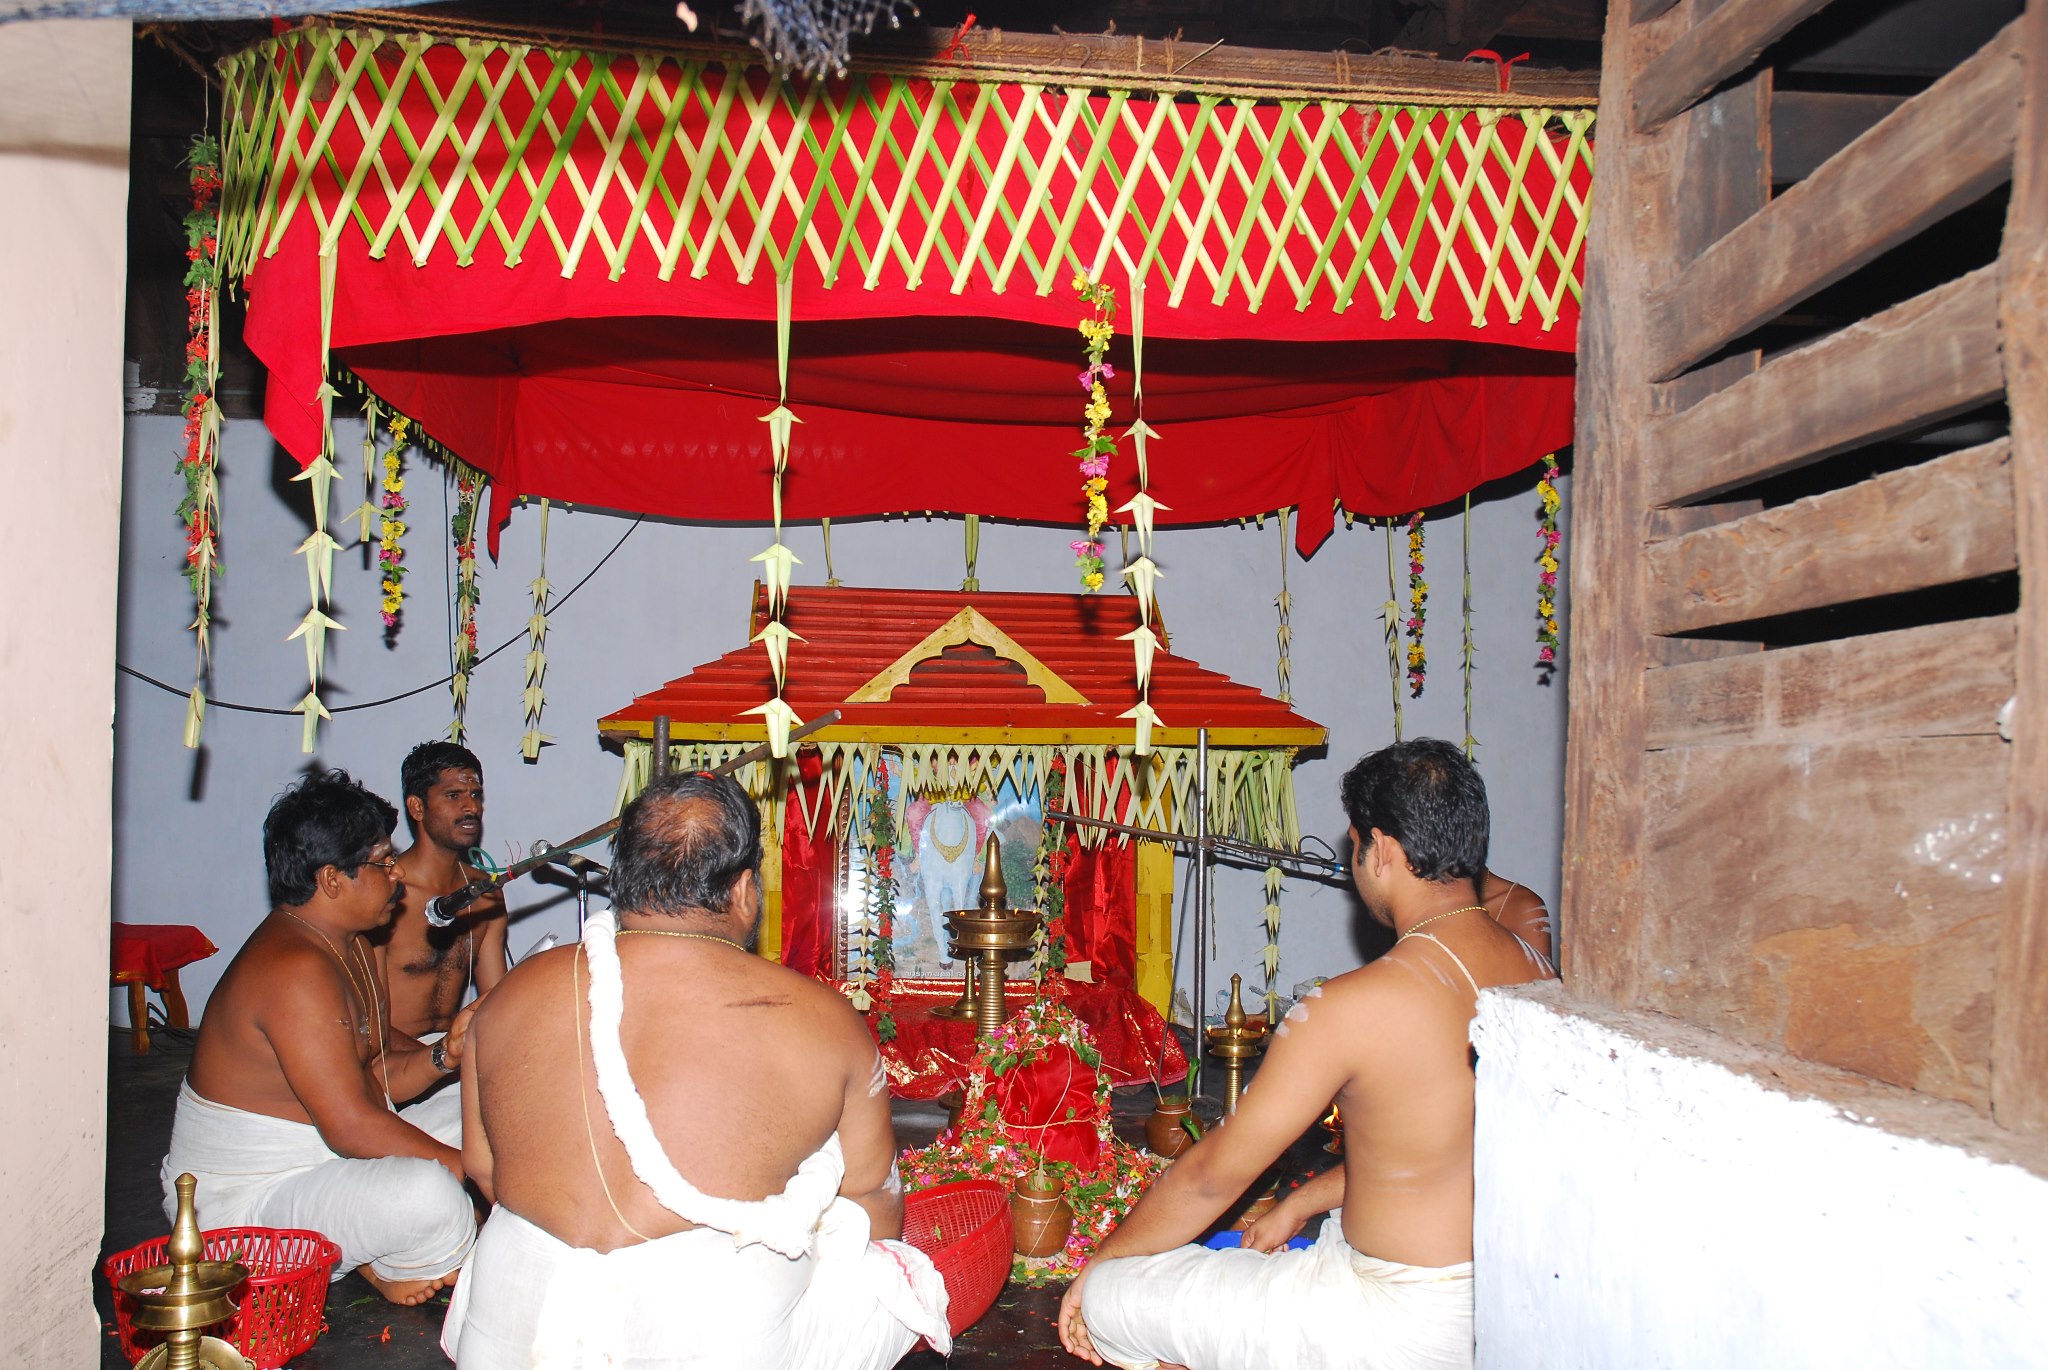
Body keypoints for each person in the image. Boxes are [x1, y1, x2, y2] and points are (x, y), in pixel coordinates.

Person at [1060, 739, 1557, 1370]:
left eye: (1354, 846)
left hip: (1393, 1323)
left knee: (1112, 1297)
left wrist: (1100, 1261)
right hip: (1504, 1302)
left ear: (1383, 850)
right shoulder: (1540, 972)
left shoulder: (1357, 1003)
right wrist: (1302, 1199)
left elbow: (1215, 1173)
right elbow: (1451, 1147)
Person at [442, 771, 950, 1368]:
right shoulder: (821, 1017)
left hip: (514, 1326)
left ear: (622, 881)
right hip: (706, 1336)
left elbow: (483, 1169)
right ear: (741, 890)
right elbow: (874, 1203)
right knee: (890, 1271)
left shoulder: (505, 999)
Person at [160, 770, 475, 1306]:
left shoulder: (347, 941)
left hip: (322, 1162)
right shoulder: (294, 969)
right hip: (241, 1213)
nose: (396, 873)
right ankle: (369, 1257)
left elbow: (374, 1077)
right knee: (436, 1198)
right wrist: (474, 1174)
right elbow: (352, 1124)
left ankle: (363, 1254)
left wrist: (448, 1054)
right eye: (381, 862)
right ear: (333, 879)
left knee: (483, 1102)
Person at [377, 742, 510, 1041]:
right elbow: (369, 1020)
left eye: (476, 795)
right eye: (453, 796)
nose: (471, 808)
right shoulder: (385, 892)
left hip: (452, 1060)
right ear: (417, 807)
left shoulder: (486, 894)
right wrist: (432, 1063)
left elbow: (495, 1002)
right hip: (389, 1067)